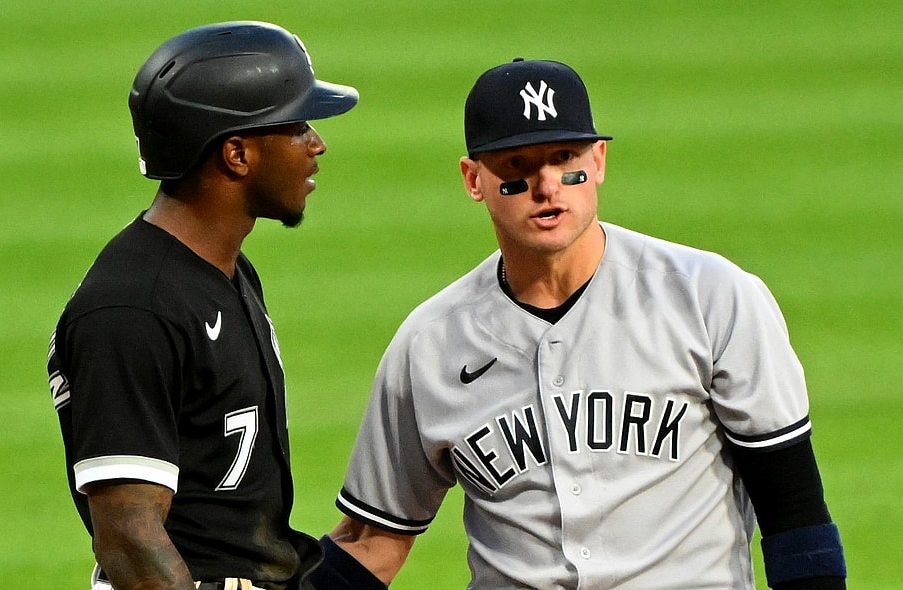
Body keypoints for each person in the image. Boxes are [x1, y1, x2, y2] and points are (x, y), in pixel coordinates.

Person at [309, 59, 846, 589]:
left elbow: (794, 513)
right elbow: (373, 541)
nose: (546, 186)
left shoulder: (711, 297)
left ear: (600, 160)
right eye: (517, 165)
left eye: (564, 158)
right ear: (474, 179)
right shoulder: (429, 345)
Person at [46, 21, 357, 590]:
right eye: (295, 126)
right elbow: (129, 537)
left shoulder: (224, 271)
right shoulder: (132, 311)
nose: (316, 144)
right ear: (237, 154)